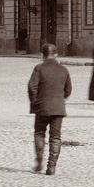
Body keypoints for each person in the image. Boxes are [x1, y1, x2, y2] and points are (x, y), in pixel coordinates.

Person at [28, 43, 72, 175]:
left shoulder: (39, 68)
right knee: (56, 137)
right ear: (56, 54)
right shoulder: (64, 70)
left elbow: (32, 88)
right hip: (58, 108)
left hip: (42, 107)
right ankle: (51, 167)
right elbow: (68, 90)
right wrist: (59, 98)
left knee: (39, 133)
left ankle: (39, 163)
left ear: (42, 55)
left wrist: (35, 101)